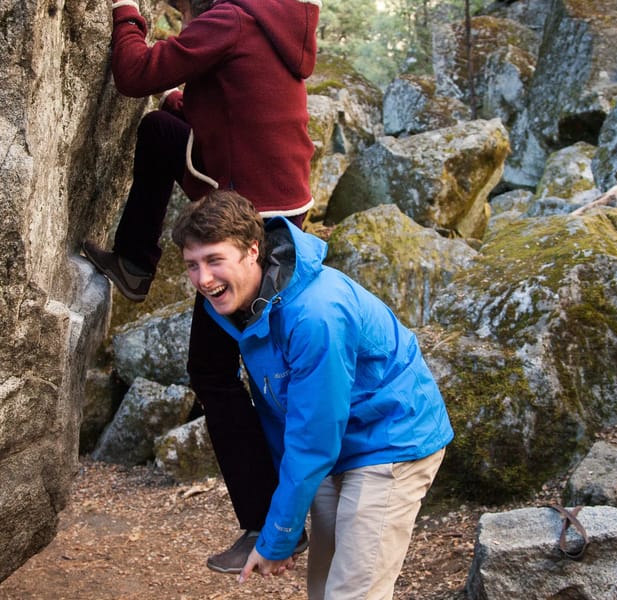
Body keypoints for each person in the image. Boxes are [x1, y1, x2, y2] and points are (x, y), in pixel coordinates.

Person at [82, 0, 320, 573]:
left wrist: (126, 12)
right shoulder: (277, 20)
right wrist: (186, 102)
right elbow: (243, 98)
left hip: (251, 221)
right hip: (285, 202)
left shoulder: (229, 20)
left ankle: (268, 526)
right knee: (164, 128)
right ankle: (136, 264)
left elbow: (134, 73)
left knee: (212, 371)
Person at [171, 190, 455, 600]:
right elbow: (279, 413)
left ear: (253, 251)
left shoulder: (314, 314)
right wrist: (277, 527)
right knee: (323, 589)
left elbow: (312, 439)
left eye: (214, 260)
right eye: (192, 266)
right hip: (337, 441)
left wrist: (277, 537)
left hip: (390, 438)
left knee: (354, 593)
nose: (203, 280)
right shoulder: (246, 304)